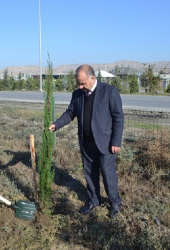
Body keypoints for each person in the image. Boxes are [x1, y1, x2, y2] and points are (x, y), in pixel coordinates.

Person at [49, 65, 124, 219]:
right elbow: (70, 113)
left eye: (83, 83)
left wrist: (116, 141)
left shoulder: (109, 91)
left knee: (108, 174)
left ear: (92, 78)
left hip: (106, 143)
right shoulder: (77, 94)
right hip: (86, 142)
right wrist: (56, 124)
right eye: (78, 83)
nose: (80, 86)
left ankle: (115, 203)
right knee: (90, 173)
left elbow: (118, 117)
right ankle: (93, 200)